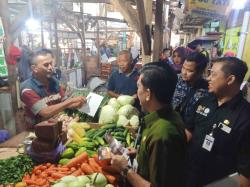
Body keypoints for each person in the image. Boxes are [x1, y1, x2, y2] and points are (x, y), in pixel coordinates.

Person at [111, 63, 187, 187]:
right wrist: (141, 154)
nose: (136, 91)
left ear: (148, 94)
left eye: (138, 86)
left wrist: (125, 169)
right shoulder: (170, 116)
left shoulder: (162, 133)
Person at [184, 57, 250, 187]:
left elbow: (245, 173)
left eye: (213, 74)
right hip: (188, 177)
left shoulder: (245, 117)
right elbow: (188, 132)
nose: (208, 78)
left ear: (230, 79)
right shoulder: (203, 102)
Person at [20, 48, 86, 128]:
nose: (51, 67)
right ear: (35, 69)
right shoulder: (27, 89)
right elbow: (45, 112)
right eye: (46, 65)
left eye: (51, 63)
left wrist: (77, 104)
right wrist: (70, 101)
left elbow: (63, 102)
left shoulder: (54, 81)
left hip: (54, 125)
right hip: (36, 130)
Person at [172, 52, 209, 125]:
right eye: (183, 68)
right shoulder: (175, 79)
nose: (184, 73)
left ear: (200, 72)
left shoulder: (206, 90)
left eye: (190, 71)